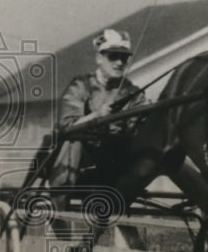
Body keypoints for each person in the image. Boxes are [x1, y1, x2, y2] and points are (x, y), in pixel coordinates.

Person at [49, 28, 142, 189]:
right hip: (81, 158)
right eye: (113, 56)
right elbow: (66, 126)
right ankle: (60, 197)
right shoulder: (80, 86)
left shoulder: (134, 92)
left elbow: (143, 126)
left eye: (124, 58)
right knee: (73, 140)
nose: (119, 63)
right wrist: (98, 115)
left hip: (116, 160)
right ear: (99, 58)